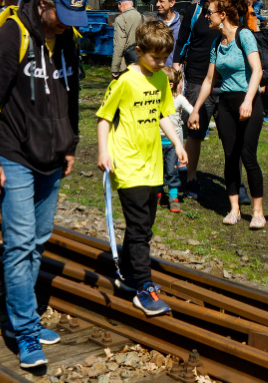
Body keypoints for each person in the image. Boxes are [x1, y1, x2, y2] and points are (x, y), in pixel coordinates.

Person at [0, 0, 85, 369]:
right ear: (44, 2)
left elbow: (70, 96)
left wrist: (70, 145)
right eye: (62, 14)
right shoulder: (11, 37)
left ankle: (23, 321)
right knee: (20, 243)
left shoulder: (68, 40)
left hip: (52, 156)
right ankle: (25, 330)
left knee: (39, 239)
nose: (66, 23)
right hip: (13, 154)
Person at [96, 20, 187, 315]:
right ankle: (143, 287)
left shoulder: (161, 79)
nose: (161, 63)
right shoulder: (124, 81)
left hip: (153, 164)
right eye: (155, 58)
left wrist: (178, 144)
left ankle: (127, 272)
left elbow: (163, 114)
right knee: (138, 228)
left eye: (165, 58)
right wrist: (103, 152)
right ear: (139, 51)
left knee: (145, 227)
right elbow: (103, 118)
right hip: (127, 163)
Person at [188, 0, 266, 228]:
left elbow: (258, 70)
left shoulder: (245, 36)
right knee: (230, 155)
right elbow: (209, 80)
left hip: (248, 101)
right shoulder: (216, 44)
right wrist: (196, 110)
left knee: (247, 155)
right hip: (226, 104)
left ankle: (258, 212)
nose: (205, 16)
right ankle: (234, 210)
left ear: (222, 15)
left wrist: (249, 100)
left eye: (209, 12)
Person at [173, 0, 230, 200]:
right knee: (195, 131)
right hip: (197, 79)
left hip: (226, 82)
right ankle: (191, 178)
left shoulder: (233, 13)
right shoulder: (194, 11)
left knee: (230, 135)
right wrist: (177, 72)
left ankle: (233, 182)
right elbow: (182, 42)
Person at [160, 66, 193, 213]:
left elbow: (191, 110)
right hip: (156, 141)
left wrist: (195, 116)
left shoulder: (179, 99)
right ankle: (158, 194)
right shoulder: (157, 97)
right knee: (156, 171)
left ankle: (173, 198)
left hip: (172, 143)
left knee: (171, 171)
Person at [111, 0, 142, 78]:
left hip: (125, 65)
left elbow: (119, 45)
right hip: (139, 62)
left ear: (120, 4)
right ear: (131, 4)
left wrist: (115, 68)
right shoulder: (140, 16)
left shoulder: (120, 19)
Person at [154, 0, 182, 67]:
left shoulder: (182, 23)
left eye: (161, 1)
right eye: (157, 1)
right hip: (157, 72)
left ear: (172, 3)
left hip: (177, 74)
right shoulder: (152, 23)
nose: (157, 4)